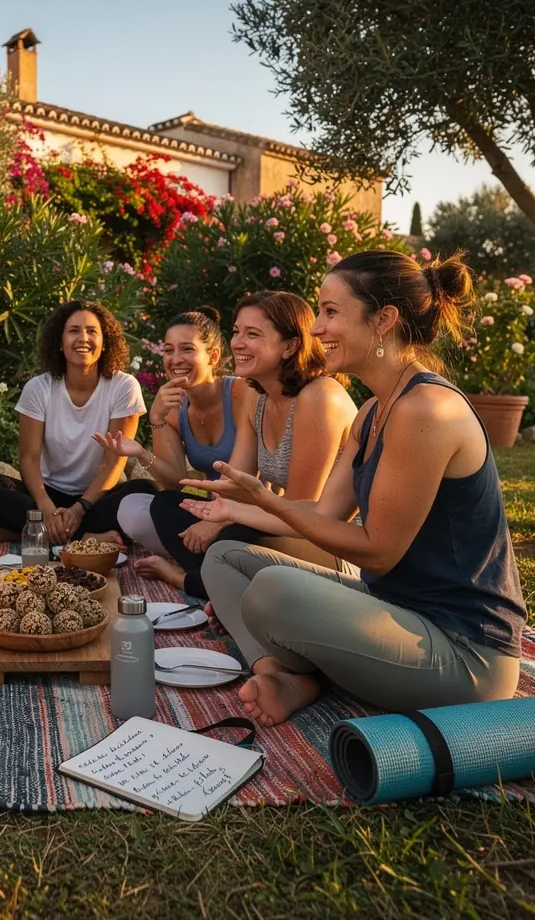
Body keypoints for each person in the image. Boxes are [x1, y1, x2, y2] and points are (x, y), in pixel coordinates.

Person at [186, 250, 526, 726]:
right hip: (393, 612)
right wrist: (238, 510)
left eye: (330, 312)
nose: (317, 329)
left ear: (383, 320)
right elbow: (326, 512)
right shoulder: (371, 413)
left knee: (272, 591)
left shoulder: (426, 409)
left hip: (466, 654)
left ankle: (302, 669)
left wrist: (264, 500)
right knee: (224, 560)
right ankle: (281, 674)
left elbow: (378, 551)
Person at [103, 291, 357, 597]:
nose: (237, 343)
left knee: (231, 542)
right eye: (237, 332)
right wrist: (210, 510)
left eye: (252, 334)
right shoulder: (259, 398)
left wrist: (224, 519)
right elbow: (232, 480)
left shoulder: (319, 397)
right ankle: (214, 582)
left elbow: (300, 511)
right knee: (169, 506)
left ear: (290, 345)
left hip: (334, 546)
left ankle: (188, 580)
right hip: (277, 524)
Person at [0, 300, 155, 545]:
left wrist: (80, 509)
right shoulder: (38, 388)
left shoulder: (124, 386)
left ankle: (30, 533)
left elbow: (114, 462)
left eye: (92, 331)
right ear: (59, 342)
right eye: (73, 330)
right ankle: (86, 537)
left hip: (96, 498)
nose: (83, 338)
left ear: (105, 341)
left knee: (145, 491)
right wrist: (45, 507)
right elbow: (28, 457)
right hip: (47, 493)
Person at [92, 307, 248, 558]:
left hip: (249, 511)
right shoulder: (173, 409)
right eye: (168, 350)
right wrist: (147, 440)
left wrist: (218, 519)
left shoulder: (241, 394)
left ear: (214, 356)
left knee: (230, 536)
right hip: (210, 507)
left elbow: (258, 479)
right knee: (134, 507)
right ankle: (205, 560)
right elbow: (175, 482)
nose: (175, 359)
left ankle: (192, 567)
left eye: (187, 349)